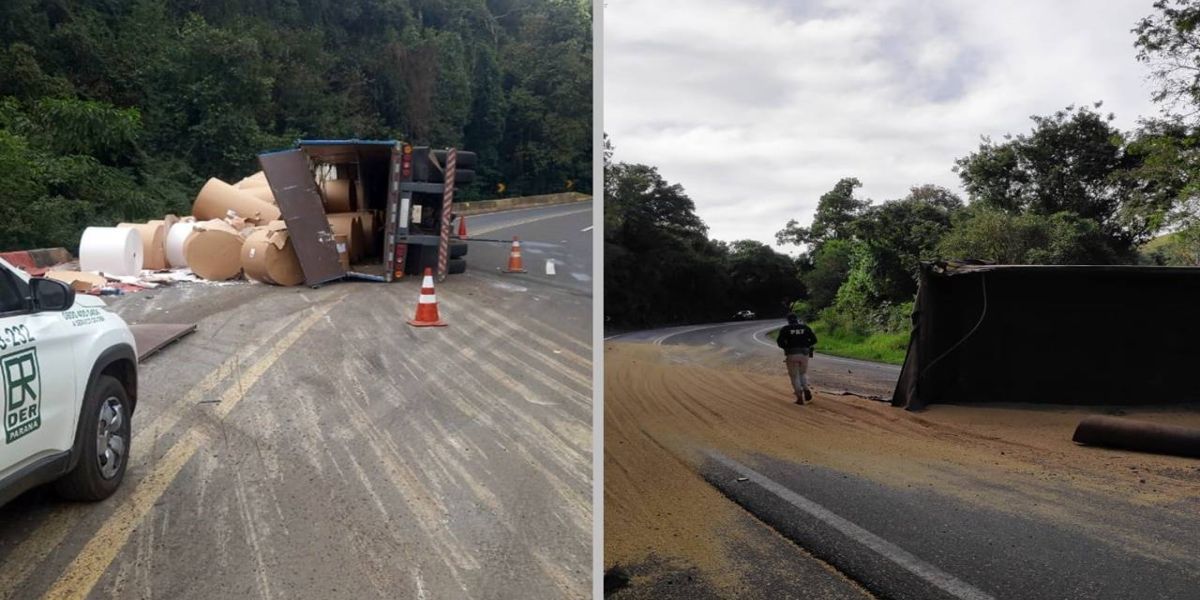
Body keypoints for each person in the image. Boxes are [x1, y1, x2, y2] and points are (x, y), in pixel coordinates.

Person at [776, 313, 818, 404]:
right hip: (804, 354)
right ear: (797, 319)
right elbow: (814, 340)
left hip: (792, 354)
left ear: (788, 320)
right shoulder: (805, 327)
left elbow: (779, 342)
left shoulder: (785, 329)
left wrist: (786, 347)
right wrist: (806, 345)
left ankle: (799, 397)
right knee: (802, 373)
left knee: (794, 376)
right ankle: (806, 389)